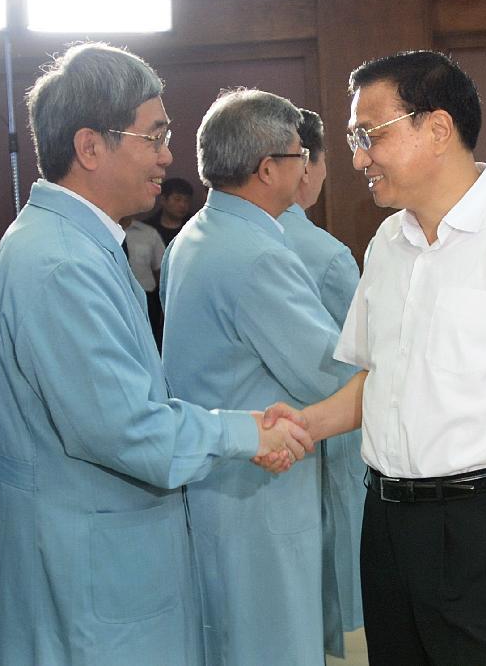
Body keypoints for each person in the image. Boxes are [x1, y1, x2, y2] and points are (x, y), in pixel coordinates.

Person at [266, 51, 486, 665]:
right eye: (354, 138)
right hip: (388, 526)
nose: (357, 158)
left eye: (369, 135)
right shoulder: (387, 243)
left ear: (437, 128)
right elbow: (382, 378)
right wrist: (307, 424)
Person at [0, 43, 312, 666]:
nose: (168, 156)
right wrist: (247, 433)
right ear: (91, 147)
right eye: (154, 135)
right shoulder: (59, 265)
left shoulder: (80, 244)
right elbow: (129, 429)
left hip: (104, 565)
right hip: (91, 588)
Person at [161, 89, 360, 665]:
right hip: (260, 489)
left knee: (230, 639)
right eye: (300, 154)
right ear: (269, 168)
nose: (306, 170)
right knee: (274, 645)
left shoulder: (196, 235)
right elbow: (332, 373)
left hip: (214, 479)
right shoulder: (258, 255)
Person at [278, 108, 365, 657]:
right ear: (304, 166)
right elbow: (363, 359)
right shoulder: (325, 255)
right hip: (318, 439)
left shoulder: (197, 238)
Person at [119, 215, 164, 346]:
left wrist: (163, 303)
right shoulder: (100, 230)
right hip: (116, 296)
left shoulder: (149, 233)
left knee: (150, 342)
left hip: (147, 298)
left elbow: (159, 270)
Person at [146, 176, 194, 246]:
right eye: (177, 199)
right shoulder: (148, 228)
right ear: (163, 200)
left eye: (187, 200)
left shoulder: (194, 225)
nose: (183, 205)